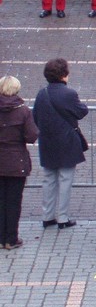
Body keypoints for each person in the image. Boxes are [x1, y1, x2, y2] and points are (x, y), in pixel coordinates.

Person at [33, 58, 88, 230]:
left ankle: (47, 216)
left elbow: (35, 117)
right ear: (64, 74)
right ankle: (63, 217)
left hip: (47, 142)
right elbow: (81, 112)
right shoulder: (69, 94)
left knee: (49, 179)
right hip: (67, 142)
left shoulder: (42, 93)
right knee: (65, 180)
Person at [0, 76, 39, 249]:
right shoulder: (23, 111)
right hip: (16, 162)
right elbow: (31, 136)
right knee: (14, 201)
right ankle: (11, 238)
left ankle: (1, 237)